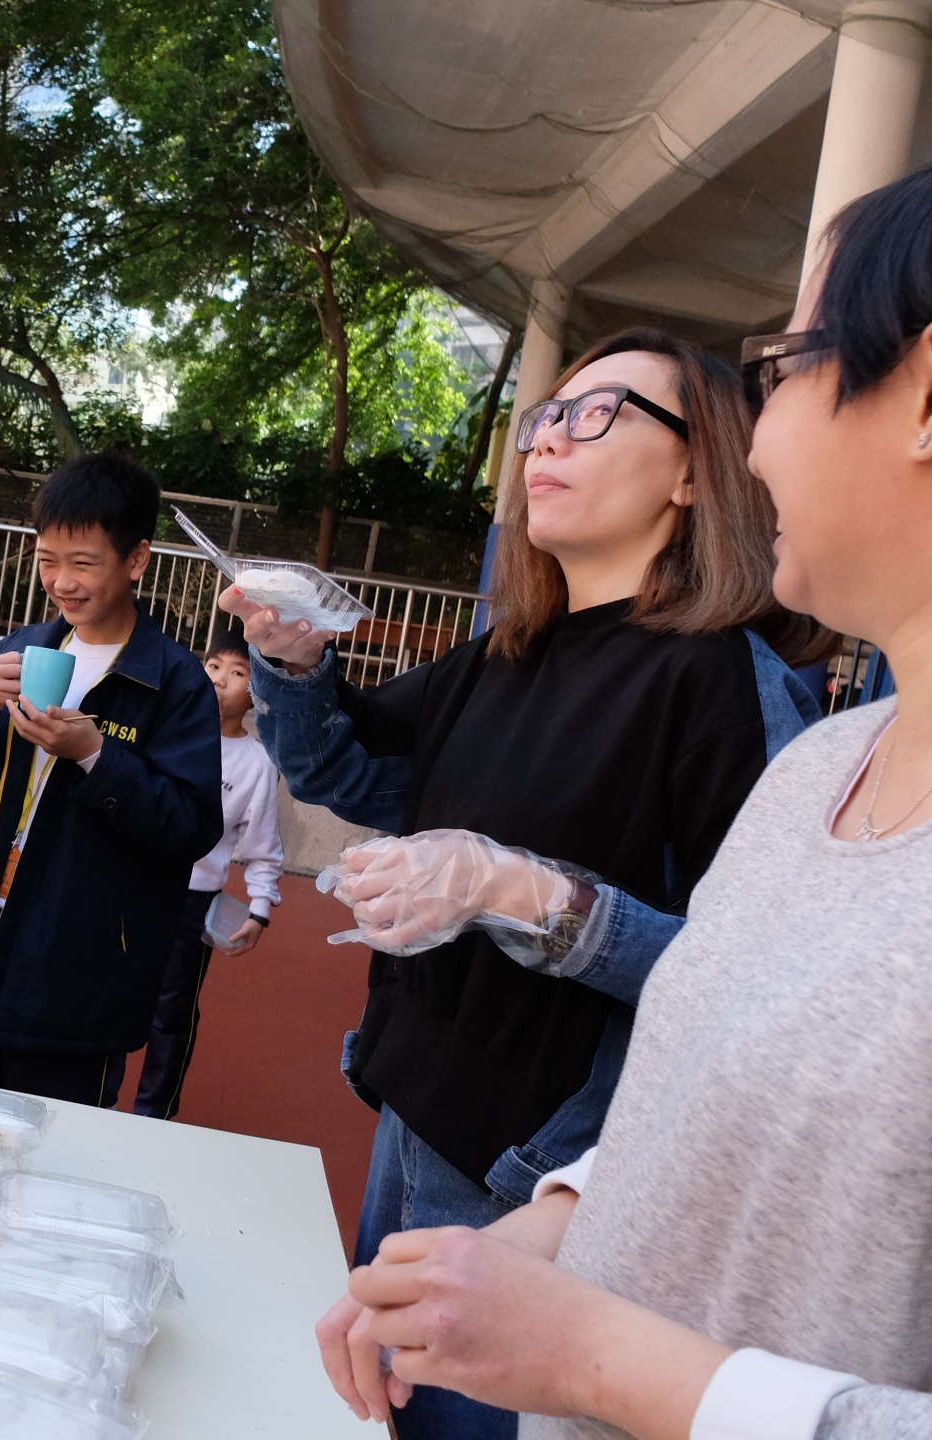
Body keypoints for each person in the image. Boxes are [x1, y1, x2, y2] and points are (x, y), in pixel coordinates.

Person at [320, 163, 932, 1440]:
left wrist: (597, 1353)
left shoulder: (725, 690)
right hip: (456, 1147)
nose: (758, 437)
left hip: (512, 1165)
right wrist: (553, 1227)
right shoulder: (823, 769)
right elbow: (701, 1090)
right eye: (546, 416)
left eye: (789, 364)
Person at [228, 327, 827, 1439]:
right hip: (417, 1108)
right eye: (547, 415)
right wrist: (294, 662)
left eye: (598, 415)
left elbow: (749, 985)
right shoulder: (509, 647)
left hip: (538, 1187)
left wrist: (524, 893)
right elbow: (351, 772)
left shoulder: (727, 685)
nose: (547, 438)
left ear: (695, 473)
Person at [0, 453, 223, 1106]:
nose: (62, 581)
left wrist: (94, 756)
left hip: (80, 974)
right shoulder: (20, 649)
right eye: (47, 560)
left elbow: (189, 826)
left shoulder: (174, 680)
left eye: (83, 563)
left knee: (56, 1148)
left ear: (136, 559)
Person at [133, 625, 283, 1119]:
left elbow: (262, 847)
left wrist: (259, 909)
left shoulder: (258, 764)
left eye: (237, 673)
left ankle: (154, 1113)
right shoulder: (163, 731)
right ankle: (93, 1092)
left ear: (257, 692)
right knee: (107, 989)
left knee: (171, 1010)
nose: (219, 679)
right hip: (132, 884)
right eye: (213, 666)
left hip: (192, 901)